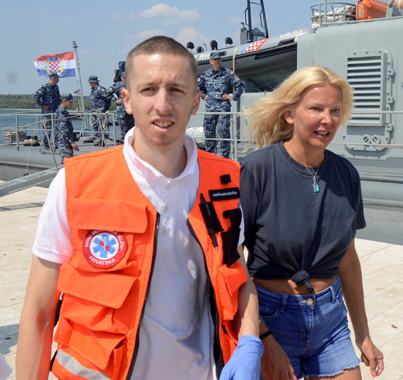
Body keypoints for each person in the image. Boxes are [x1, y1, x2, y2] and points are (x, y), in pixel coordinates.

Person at [17, 36, 263, 380]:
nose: (163, 104)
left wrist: (251, 338)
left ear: (196, 101)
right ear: (127, 100)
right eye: (149, 89)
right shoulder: (75, 183)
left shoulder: (228, 182)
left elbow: (236, 276)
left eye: (176, 90)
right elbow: (39, 314)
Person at [240, 65, 384, 380]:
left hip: (329, 318)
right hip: (271, 318)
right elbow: (232, 263)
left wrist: (363, 335)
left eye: (334, 110)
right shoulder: (256, 171)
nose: (327, 119)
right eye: (316, 109)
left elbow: (347, 259)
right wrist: (260, 337)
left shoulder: (346, 174)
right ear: (290, 114)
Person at [198, 51, 245, 158]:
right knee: (209, 133)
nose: (217, 61)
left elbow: (240, 84)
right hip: (210, 108)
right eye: (215, 60)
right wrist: (203, 95)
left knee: (224, 133)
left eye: (219, 59)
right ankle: (210, 157)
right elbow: (198, 87)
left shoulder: (228, 73)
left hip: (223, 108)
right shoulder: (206, 74)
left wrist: (232, 96)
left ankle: (225, 158)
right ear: (211, 62)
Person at [107, 61, 134, 144]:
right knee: (123, 130)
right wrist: (115, 100)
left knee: (133, 129)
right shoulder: (118, 85)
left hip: (132, 110)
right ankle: (123, 146)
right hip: (122, 111)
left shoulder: (133, 84)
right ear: (122, 77)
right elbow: (107, 93)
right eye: (124, 77)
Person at [33, 72, 60, 149]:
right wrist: (43, 105)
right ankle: (46, 144)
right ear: (53, 78)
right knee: (47, 129)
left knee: (56, 128)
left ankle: (56, 144)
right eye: (57, 78)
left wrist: (59, 105)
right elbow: (36, 96)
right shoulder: (45, 87)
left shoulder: (56, 87)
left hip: (55, 111)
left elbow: (58, 98)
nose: (58, 80)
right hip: (46, 113)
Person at [54, 93, 79, 163]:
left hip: (65, 141)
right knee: (67, 162)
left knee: (68, 160)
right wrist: (72, 142)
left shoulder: (64, 112)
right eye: (69, 102)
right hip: (64, 142)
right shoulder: (61, 112)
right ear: (63, 101)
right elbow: (63, 129)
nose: (71, 103)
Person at [88, 75, 111, 146]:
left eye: (90, 81)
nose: (89, 83)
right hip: (94, 111)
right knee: (95, 126)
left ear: (93, 82)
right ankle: (99, 139)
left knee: (101, 126)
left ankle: (102, 140)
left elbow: (108, 97)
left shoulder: (101, 89)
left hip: (101, 111)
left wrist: (105, 108)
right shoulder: (93, 90)